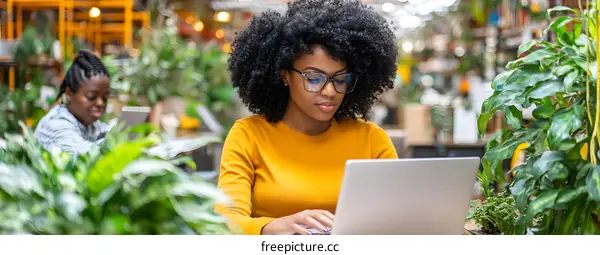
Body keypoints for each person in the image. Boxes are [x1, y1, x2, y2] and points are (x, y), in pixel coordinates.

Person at [214, 0, 399, 235]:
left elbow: (396, 218)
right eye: (314, 78)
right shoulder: (249, 135)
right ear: (285, 76)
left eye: (340, 79)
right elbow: (225, 222)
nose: (330, 91)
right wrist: (272, 227)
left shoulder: (371, 140)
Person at [34, 50, 111, 158]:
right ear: (69, 94)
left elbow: (107, 132)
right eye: (91, 96)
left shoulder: (89, 124)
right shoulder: (55, 125)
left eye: (105, 97)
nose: (100, 103)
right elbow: (83, 157)